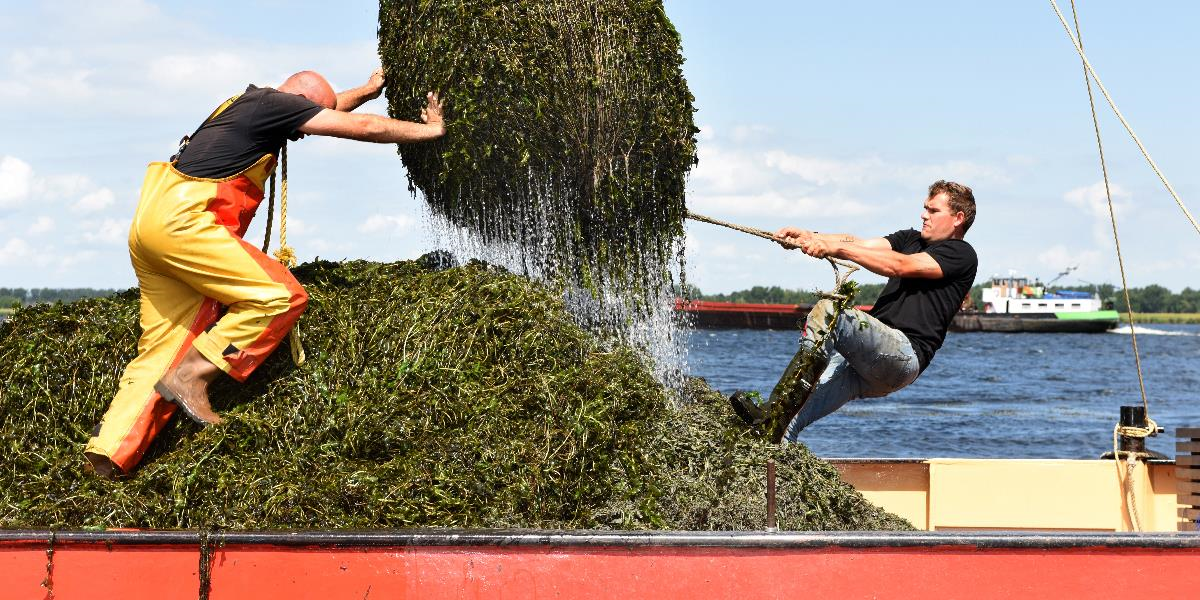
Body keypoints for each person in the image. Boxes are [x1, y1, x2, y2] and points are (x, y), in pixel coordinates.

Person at [84, 69, 445, 478]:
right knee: (279, 296)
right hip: (186, 223)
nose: (302, 136)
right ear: (299, 100)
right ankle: (192, 376)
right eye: (304, 125)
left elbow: (329, 110)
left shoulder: (251, 105)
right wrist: (429, 131)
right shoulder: (274, 105)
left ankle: (107, 459)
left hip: (152, 225)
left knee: (164, 350)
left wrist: (366, 90)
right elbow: (361, 127)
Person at [730, 180, 977, 441]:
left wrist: (838, 249)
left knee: (831, 312)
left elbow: (900, 265)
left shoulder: (961, 254)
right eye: (925, 208)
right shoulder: (910, 238)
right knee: (785, 424)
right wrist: (810, 237)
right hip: (865, 358)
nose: (923, 215)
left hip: (902, 356)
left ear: (958, 218)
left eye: (933, 210)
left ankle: (774, 412)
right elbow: (859, 243)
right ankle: (773, 426)